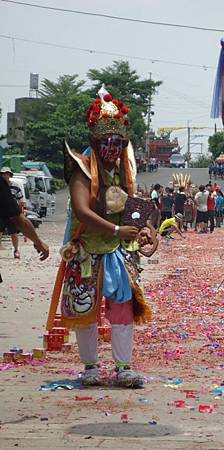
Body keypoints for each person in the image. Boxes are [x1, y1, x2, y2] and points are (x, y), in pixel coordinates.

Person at [57, 89, 152, 388]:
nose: (112, 148)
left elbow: (135, 210)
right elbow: (82, 211)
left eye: (117, 142)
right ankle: (90, 368)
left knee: (122, 308)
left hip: (119, 252)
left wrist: (147, 230)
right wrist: (114, 230)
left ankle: (123, 367)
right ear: (94, 142)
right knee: (86, 309)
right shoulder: (82, 169)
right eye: (105, 142)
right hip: (87, 249)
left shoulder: (127, 169)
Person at [0, 168, 49, 277]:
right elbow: (19, 220)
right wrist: (39, 243)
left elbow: (21, 204)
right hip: (10, 214)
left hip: (8, 214)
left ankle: (16, 249)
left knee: (13, 234)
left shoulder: (14, 187)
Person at [0, 167, 25, 258]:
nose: (5, 176)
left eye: (7, 174)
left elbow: (21, 201)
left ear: (10, 175)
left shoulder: (15, 187)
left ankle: (16, 250)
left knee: (13, 232)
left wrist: (21, 213)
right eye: (3, 174)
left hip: (12, 213)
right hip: (1, 213)